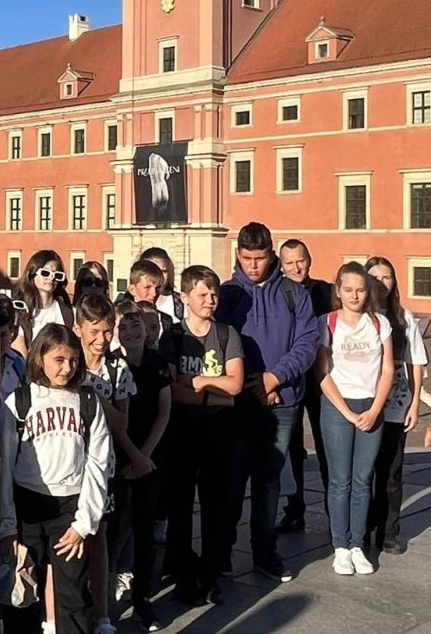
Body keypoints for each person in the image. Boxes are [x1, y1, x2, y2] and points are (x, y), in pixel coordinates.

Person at [214, 222, 318, 583]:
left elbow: (307, 343)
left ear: (271, 255)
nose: (253, 265)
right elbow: (219, 343)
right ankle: (222, 552)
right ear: (238, 255)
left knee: (269, 481)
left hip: (281, 401)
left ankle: (265, 552)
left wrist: (275, 378)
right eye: (247, 259)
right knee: (232, 479)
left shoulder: (294, 294)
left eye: (259, 258)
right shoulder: (227, 295)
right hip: (238, 402)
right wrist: (252, 383)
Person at [2, 325, 114, 634]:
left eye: (74, 360)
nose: (67, 368)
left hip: (70, 506)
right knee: (23, 591)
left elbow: (98, 463)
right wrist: (6, 522)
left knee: (73, 595)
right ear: (40, 358)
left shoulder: (87, 401)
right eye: (59, 360)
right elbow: (4, 465)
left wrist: (84, 523)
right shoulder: (20, 400)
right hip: (27, 503)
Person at [159, 266, 244, 604]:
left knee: (215, 504)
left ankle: (211, 572)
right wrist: (215, 392)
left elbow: (235, 385)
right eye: (202, 294)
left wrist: (196, 382)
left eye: (214, 294)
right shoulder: (173, 337)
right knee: (179, 505)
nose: (210, 300)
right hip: (181, 429)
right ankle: (181, 571)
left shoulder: (226, 334)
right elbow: (171, 390)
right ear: (185, 297)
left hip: (217, 430)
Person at [315, 263, 393, 577]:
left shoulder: (379, 323)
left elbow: (388, 370)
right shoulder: (327, 323)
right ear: (338, 291)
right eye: (348, 290)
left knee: (363, 480)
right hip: (338, 406)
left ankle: (358, 544)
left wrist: (374, 409)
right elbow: (322, 373)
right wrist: (346, 412)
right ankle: (340, 546)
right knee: (340, 480)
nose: (354, 295)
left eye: (360, 290)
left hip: (370, 405)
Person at [74, 295, 136, 634]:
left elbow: (122, 422)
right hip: (68, 465)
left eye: (107, 331)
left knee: (99, 538)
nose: (101, 339)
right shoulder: (67, 363)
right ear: (78, 329)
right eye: (94, 331)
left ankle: (102, 614)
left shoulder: (117, 368)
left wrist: (93, 398)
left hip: (103, 466)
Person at [110, 299, 171, 631]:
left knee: (145, 530)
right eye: (123, 326)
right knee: (115, 530)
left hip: (149, 457)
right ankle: (105, 600)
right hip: (120, 457)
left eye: (136, 324)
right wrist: (133, 455)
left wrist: (144, 456)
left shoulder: (157, 362)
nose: (131, 331)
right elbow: (114, 420)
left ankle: (142, 598)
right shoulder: (111, 365)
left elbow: (164, 413)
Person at [364, 257, 427, 557]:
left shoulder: (404, 318)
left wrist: (414, 403)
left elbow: (416, 363)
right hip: (364, 402)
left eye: (386, 276)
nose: (380, 282)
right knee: (363, 472)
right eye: (374, 276)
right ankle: (362, 528)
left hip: (395, 404)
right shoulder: (358, 317)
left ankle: (388, 532)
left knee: (391, 472)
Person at [276, 238, 334, 533]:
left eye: (301, 261)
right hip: (291, 380)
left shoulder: (326, 291)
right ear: (281, 265)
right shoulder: (278, 293)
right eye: (290, 263)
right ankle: (294, 509)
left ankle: (334, 511)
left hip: (322, 381)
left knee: (327, 448)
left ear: (309, 260)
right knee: (293, 449)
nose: (296, 267)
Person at [16, 250, 75, 338]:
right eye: (45, 273)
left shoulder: (68, 311)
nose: (51, 278)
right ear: (32, 274)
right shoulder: (20, 310)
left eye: (57, 275)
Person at [139, 248, 184, 323]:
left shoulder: (181, 303)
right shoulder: (127, 303)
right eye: (153, 271)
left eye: (164, 271)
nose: (160, 276)